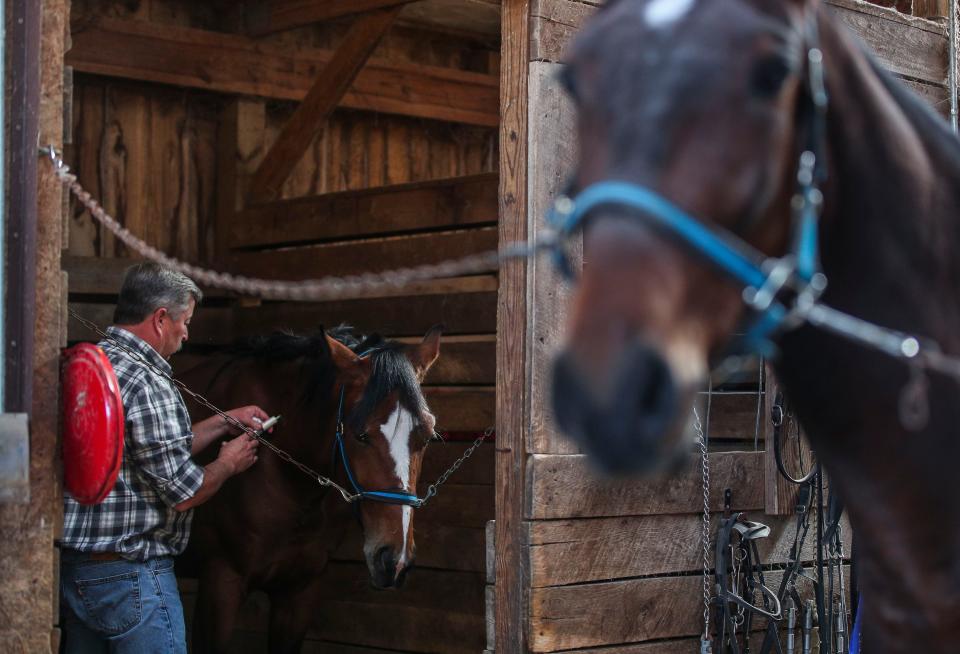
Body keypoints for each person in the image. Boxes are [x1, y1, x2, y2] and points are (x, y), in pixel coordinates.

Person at [60, 262, 268, 653]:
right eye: (184, 321)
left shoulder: (92, 365)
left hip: (79, 573)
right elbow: (184, 492)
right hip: (133, 578)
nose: (187, 333)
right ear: (160, 319)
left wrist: (222, 423)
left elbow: (142, 453)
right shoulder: (148, 381)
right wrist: (228, 463)